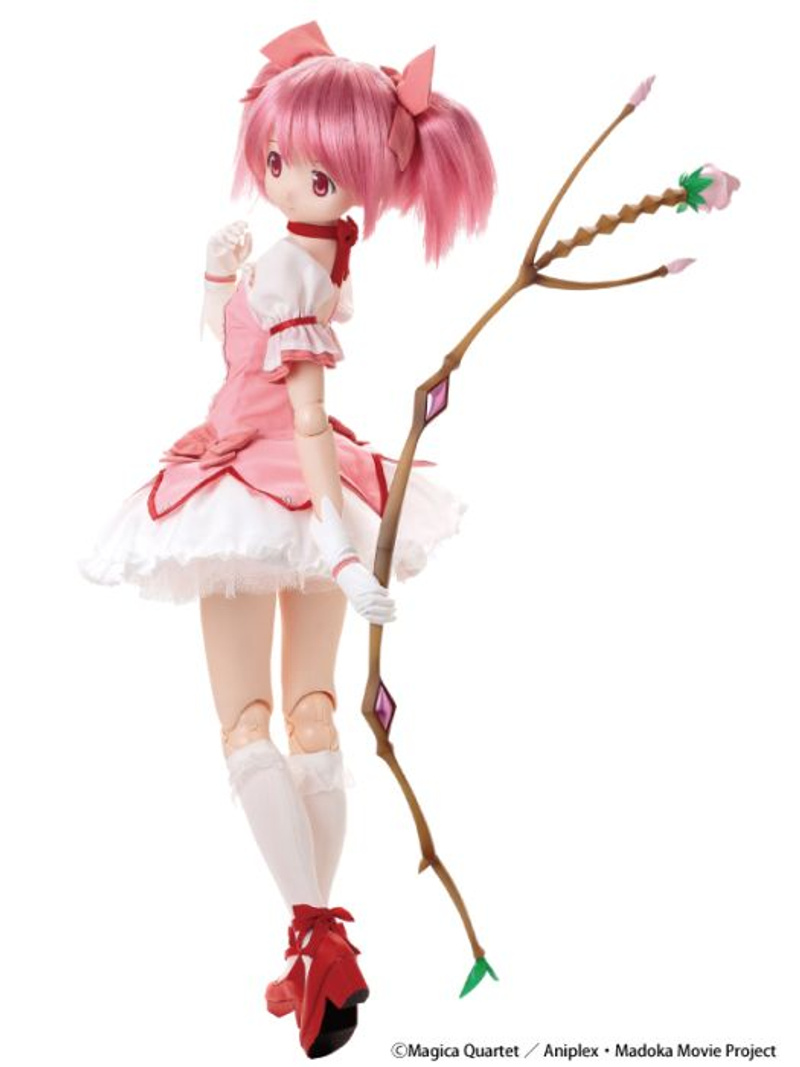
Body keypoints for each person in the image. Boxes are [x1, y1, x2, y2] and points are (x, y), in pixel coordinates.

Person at [80, 21, 495, 1058]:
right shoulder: (318, 260)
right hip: (292, 485)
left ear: (357, 178)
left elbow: (304, 418)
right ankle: (320, 938)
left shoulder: (293, 272)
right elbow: (250, 359)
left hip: (256, 486)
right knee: (312, 713)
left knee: (249, 722)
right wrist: (216, 283)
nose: (281, 177)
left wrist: (345, 553)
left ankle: (314, 933)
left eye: (310, 169)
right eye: (275, 157)